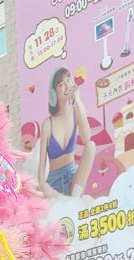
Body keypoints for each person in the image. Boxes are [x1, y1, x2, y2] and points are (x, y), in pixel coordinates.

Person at [38, 68, 95, 198]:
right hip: (53, 183)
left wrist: (78, 100)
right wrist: (42, 185)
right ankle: (67, 202)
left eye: (68, 81)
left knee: (91, 146)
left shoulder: (76, 112)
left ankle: (74, 201)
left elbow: (86, 139)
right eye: (61, 84)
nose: (66, 86)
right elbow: (42, 163)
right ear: (53, 93)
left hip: (74, 178)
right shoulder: (48, 124)